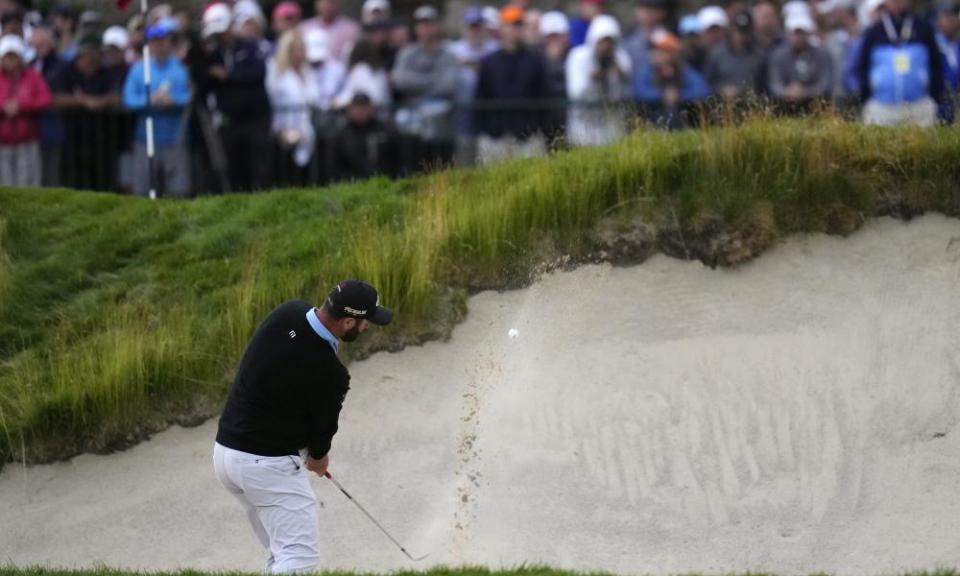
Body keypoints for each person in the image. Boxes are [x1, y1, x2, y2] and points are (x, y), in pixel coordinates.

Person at [214, 280, 393, 574]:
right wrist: (318, 459)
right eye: (364, 322)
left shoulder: (288, 312)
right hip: (265, 466)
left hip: (225, 455)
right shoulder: (332, 375)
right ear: (348, 321)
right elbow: (321, 437)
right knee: (299, 559)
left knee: (280, 553)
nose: (367, 327)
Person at [198, 2, 272, 192]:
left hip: (255, 118)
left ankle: (261, 202)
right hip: (230, 121)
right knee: (235, 167)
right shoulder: (214, 54)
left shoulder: (250, 47)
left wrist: (228, 75)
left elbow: (258, 73)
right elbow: (204, 83)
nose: (220, 37)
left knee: (259, 166)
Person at [122, 19, 191, 198]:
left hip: (173, 138)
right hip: (145, 138)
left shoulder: (179, 69)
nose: (159, 45)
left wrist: (172, 100)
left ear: (169, 42)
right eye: (154, 41)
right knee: (143, 189)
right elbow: (129, 99)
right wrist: (149, 100)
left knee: (177, 190)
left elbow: (186, 96)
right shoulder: (139, 69)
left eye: (163, 40)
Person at [474, 5, 548, 166]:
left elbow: (544, 97)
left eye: (519, 25)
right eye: (511, 24)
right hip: (495, 137)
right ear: (502, 28)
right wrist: (487, 130)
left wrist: (536, 129)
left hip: (527, 137)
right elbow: (480, 98)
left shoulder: (535, 61)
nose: (515, 29)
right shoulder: (489, 62)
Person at [51, 33, 124, 191]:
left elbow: (117, 96)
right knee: (74, 184)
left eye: (96, 52)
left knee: (102, 183)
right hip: (72, 139)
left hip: (102, 140)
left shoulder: (106, 72)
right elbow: (55, 98)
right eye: (89, 52)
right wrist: (81, 101)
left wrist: (99, 102)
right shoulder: (66, 71)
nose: (93, 57)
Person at [857, 0, 945, 126]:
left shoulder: (924, 29)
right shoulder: (874, 32)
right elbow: (863, 68)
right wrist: (866, 98)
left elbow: (936, 66)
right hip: (881, 108)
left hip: (919, 106)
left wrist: (934, 99)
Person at [391, 5, 458, 165]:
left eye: (430, 24)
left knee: (440, 168)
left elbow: (449, 85)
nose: (426, 29)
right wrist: (433, 80)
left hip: (441, 121)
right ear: (416, 28)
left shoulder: (448, 53)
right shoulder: (407, 53)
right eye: (421, 24)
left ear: (437, 26)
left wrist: (416, 83)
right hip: (412, 119)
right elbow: (400, 81)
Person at [565, 14, 632, 147]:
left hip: (613, 128)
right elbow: (575, 94)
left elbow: (627, 94)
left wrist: (621, 75)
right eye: (603, 42)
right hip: (584, 126)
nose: (606, 47)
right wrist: (592, 79)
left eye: (610, 42)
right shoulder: (578, 57)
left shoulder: (621, 58)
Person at [267, 30, 320, 186]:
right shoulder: (276, 72)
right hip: (284, 125)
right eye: (297, 50)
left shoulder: (307, 72)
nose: (301, 54)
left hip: (307, 123)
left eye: (303, 49)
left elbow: (314, 97)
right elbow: (272, 101)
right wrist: (281, 130)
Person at [450, 5, 499, 165]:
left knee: (490, 164)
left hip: (489, 115)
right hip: (463, 116)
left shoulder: (495, 49)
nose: (475, 30)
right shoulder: (454, 49)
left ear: (484, 27)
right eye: (471, 26)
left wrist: (475, 65)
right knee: (465, 162)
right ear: (465, 28)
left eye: (478, 26)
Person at [0, 34, 50, 186]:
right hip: (2, 143)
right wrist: (4, 107)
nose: (10, 61)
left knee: (28, 186)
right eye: (7, 57)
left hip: (27, 141)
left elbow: (46, 99)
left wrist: (21, 106)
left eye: (13, 56)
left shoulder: (32, 76)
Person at [634, 30, 711, 130]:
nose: (654, 54)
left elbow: (703, 90)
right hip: (653, 123)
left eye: (660, 50)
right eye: (653, 50)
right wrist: (662, 95)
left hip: (683, 122)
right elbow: (637, 92)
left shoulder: (683, 70)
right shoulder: (647, 71)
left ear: (671, 54)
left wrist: (680, 95)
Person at [767, 12, 834, 114]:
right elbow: (774, 85)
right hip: (785, 107)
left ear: (808, 33)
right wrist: (788, 91)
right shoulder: (779, 55)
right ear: (788, 33)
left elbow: (825, 84)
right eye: (795, 33)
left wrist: (805, 92)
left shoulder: (821, 54)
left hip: (814, 107)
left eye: (802, 33)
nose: (798, 37)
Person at [332, 92, 400, 180]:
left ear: (371, 108)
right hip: (353, 184)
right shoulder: (342, 135)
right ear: (350, 109)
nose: (360, 111)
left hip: (384, 181)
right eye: (357, 107)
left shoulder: (385, 130)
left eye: (364, 107)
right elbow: (336, 167)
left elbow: (396, 159)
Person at [704, 9, 765, 103]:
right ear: (732, 30)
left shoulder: (760, 54)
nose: (742, 36)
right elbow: (708, 82)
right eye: (739, 31)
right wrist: (721, 89)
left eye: (745, 31)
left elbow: (765, 85)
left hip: (752, 106)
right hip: (722, 105)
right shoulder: (717, 54)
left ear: (752, 31)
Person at [539, 11, 570, 146]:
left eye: (558, 36)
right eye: (550, 36)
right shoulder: (536, 61)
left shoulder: (575, 57)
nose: (554, 41)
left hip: (572, 123)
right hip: (545, 124)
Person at [301, 0, 360, 65]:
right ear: (316, 4)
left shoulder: (351, 29)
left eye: (331, 2)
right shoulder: (304, 28)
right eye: (323, 2)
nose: (327, 6)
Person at [624, 0, 668, 73]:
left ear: (661, 12)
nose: (648, 13)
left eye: (652, 8)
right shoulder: (627, 37)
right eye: (644, 8)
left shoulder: (668, 38)